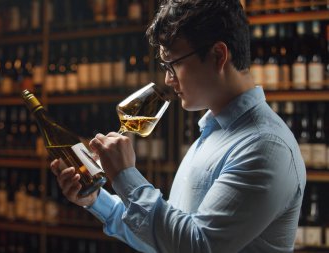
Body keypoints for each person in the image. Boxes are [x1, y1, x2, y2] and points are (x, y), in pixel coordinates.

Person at [50, 0, 306, 252]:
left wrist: (125, 176)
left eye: (172, 63)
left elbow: (197, 246)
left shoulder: (265, 146)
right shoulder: (213, 134)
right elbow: (166, 239)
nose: (167, 78)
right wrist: (96, 200)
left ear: (218, 55)